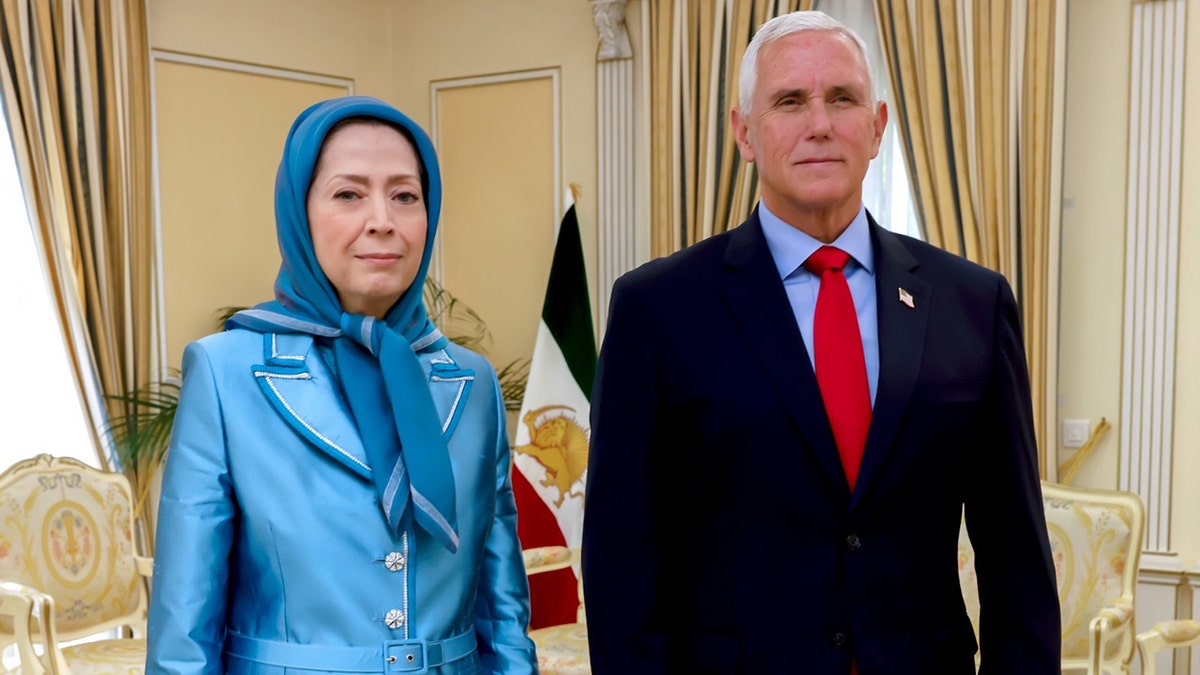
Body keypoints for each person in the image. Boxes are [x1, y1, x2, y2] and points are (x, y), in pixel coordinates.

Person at [582, 10, 1060, 675]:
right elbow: (622, 566)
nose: (820, 124)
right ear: (744, 133)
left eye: (842, 98)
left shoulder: (972, 303)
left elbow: (1017, 558)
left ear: (878, 126)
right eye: (789, 101)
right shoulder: (657, 309)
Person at [146, 96, 538, 674]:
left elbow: (502, 611)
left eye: (405, 195)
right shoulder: (225, 373)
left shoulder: (471, 380)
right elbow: (184, 629)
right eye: (349, 194)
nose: (381, 218)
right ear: (298, 213)